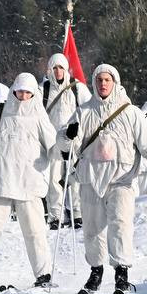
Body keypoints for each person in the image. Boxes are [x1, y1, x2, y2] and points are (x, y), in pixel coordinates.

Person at [59, 64, 147, 294]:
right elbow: (65, 145)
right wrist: (68, 135)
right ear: (94, 83)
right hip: (91, 178)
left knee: (120, 224)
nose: (103, 84)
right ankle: (95, 273)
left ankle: (122, 274)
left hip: (121, 179)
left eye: (107, 80)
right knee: (92, 228)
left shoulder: (130, 112)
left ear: (115, 82)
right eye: (99, 80)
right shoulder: (83, 112)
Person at [0, 72, 56, 289]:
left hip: (28, 181)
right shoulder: (0, 111)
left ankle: (43, 274)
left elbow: (53, 146)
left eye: (28, 92)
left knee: (35, 231)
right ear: (13, 90)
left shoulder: (39, 116)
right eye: (20, 91)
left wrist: (65, 149)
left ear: (33, 94)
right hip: (0, 179)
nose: (23, 96)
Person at [42, 53, 90, 230]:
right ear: (49, 70)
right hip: (52, 144)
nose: (57, 71)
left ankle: (77, 212)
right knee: (53, 180)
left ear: (66, 69)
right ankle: (56, 215)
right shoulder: (43, 90)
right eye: (54, 68)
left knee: (75, 178)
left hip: (73, 143)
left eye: (61, 67)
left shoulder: (78, 89)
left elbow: (88, 110)